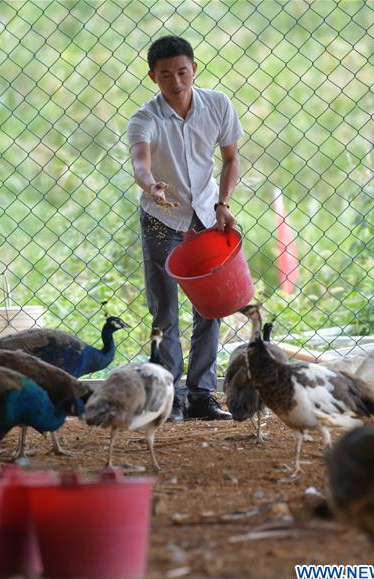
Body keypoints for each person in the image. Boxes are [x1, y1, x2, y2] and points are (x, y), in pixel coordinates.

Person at [127, 36, 242, 421]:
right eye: (165, 75)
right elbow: (140, 163)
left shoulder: (218, 104)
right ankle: (170, 395)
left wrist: (223, 204)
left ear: (194, 69)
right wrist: (151, 187)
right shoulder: (145, 118)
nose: (175, 81)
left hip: (207, 214)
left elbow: (230, 159)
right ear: (152, 77)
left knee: (211, 306)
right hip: (162, 218)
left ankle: (201, 395)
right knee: (165, 309)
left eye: (182, 71)